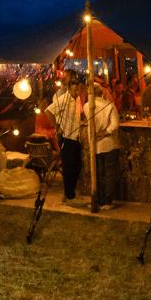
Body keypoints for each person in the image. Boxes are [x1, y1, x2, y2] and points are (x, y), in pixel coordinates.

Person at [45, 76, 87, 206]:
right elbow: (48, 111)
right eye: (74, 89)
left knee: (77, 166)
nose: (76, 92)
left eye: (78, 89)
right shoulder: (63, 99)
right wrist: (57, 128)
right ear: (69, 88)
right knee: (69, 167)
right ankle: (70, 197)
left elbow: (79, 114)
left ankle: (69, 193)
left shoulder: (78, 99)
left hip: (76, 137)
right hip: (66, 138)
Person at [88, 82, 122, 211]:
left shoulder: (87, 106)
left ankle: (100, 199)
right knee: (109, 173)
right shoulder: (110, 106)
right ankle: (108, 200)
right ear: (102, 92)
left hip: (95, 145)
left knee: (99, 173)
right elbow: (115, 125)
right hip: (109, 143)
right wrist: (105, 132)